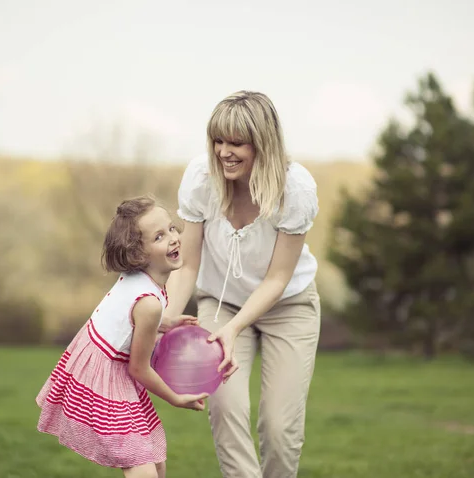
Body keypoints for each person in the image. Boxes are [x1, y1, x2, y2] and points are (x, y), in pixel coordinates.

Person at [164, 91, 321, 478]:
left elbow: (278, 278)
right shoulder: (201, 180)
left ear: (263, 143)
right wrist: (165, 318)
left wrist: (234, 331)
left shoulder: (294, 189)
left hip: (289, 306)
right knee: (226, 411)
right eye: (218, 140)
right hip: (221, 304)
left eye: (236, 143)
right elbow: (187, 266)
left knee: (280, 428)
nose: (223, 152)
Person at [36, 195, 208, 478]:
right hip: (105, 380)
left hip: (106, 364)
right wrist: (176, 398)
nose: (174, 238)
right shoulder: (149, 303)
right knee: (143, 467)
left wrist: (166, 323)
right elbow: (139, 368)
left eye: (172, 229)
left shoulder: (142, 282)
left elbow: (125, 319)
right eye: (159, 236)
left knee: (156, 460)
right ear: (138, 255)